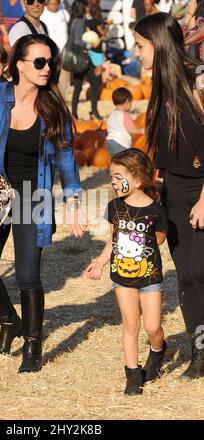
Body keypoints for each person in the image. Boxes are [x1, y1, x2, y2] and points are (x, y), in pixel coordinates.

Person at [0, 34, 86, 373]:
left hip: (35, 196)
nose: (47, 69)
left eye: (50, 63)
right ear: (19, 64)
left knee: (28, 276)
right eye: (39, 62)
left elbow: (66, 162)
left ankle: (33, 344)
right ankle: (9, 322)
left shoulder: (54, 108)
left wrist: (74, 206)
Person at [134, 12, 204, 380]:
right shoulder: (159, 89)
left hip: (202, 188)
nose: (137, 53)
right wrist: (152, 191)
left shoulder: (198, 80)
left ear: (159, 45)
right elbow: (162, 151)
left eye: (141, 46)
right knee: (186, 277)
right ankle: (200, 350)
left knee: (199, 268)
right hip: (174, 189)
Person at [87, 148, 168, 395]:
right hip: (122, 277)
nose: (113, 181)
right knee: (130, 324)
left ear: (139, 179)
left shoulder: (156, 210)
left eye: (118, 176)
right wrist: (100, 263)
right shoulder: (114, 207)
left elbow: (160, 240)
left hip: (149, 277)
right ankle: (132, 374)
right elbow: (113, 240)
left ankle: (157, 350)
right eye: (111, 176)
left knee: (153, 326)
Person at [70, 0, 102, 120]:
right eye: (87, 6)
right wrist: (90, 45)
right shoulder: (80, 21)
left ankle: (74, 113)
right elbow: (78, 40)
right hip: (83, 57)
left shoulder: (73, 20)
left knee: (78, 86)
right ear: (83, 8)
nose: (88, 8)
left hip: (77, 57)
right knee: (94, 84)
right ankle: (93, 111)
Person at [41, 0, 70, 99]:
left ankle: (62, 100)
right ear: (47, 3)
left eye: (56, 4)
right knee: (50, 77)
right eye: (52, 4)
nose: (54, 6)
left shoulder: (64, 13)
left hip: (64, 52)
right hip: (50, 52)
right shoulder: (43, 14)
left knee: (64, 79)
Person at [106, 87, 144, 157]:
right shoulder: (125, 115)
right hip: (121, 144)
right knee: (124, 162)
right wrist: (142, 131)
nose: (131, 105)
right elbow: (131, 130)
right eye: (131, 102)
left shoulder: (112, 114)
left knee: (116, 161)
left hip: (109, 142)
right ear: (127, 102)